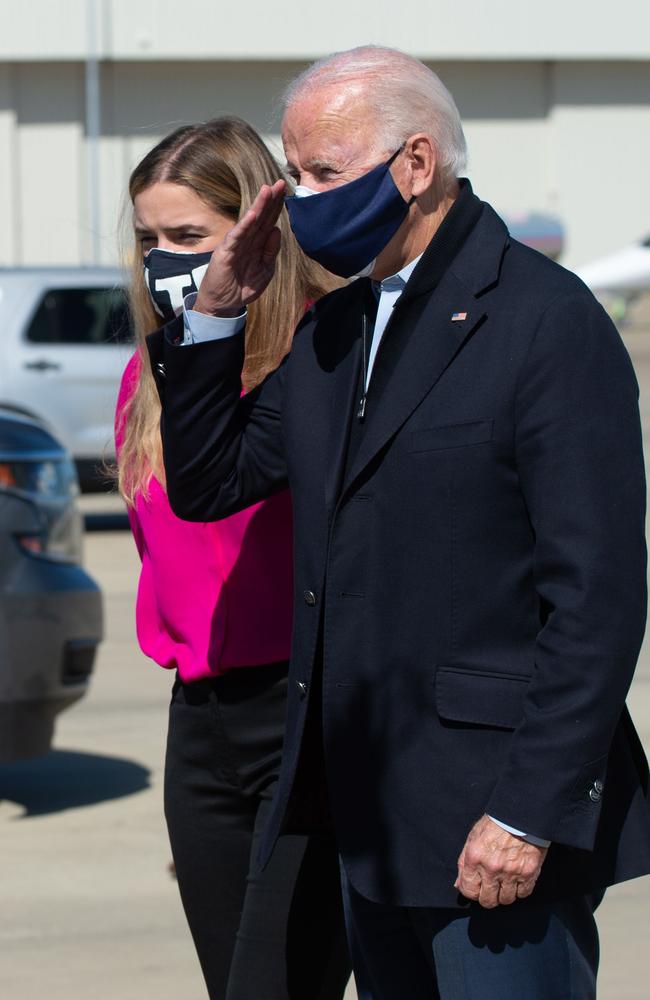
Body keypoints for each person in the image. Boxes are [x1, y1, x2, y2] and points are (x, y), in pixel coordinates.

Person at [147, 50, 650, 1000]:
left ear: (416, 164)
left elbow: (598, 598)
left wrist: (526, 814)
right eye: (292, 174)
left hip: (489, 828)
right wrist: (216, 316)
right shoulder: (337, 329)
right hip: (365, 816)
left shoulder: (545, 321)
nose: (296, 199)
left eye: (322, 174)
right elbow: (211, 480)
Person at [114, 117, 350, 1000]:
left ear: (252, 232)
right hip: (201, 722)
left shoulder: (324, 349)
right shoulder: (152, 375)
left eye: (188, 238)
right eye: (149, 239)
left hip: (301, 708)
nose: (164, 258)